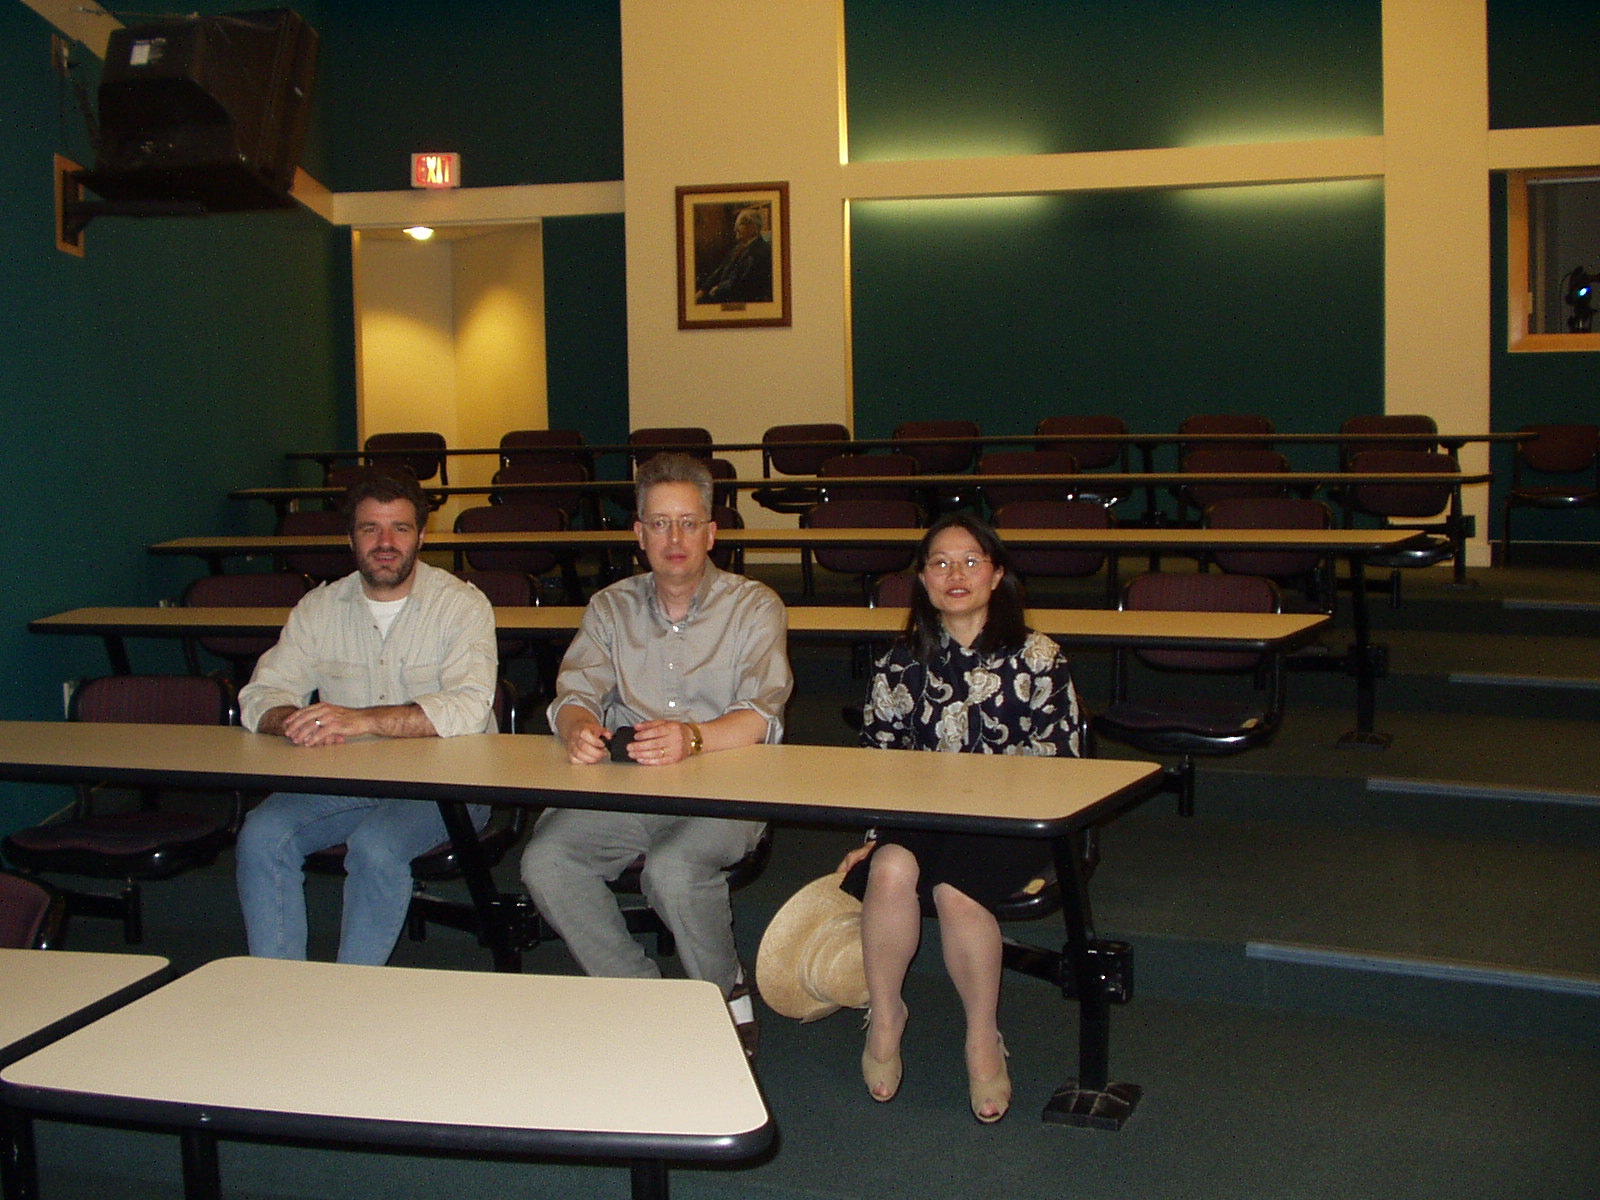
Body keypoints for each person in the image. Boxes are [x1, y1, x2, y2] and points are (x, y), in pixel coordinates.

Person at [519, 452, 792, 1057]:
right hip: (631, 782)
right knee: (546, 861)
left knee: (672, 873)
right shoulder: (609, 608)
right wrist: (579, 727)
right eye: (660, 523)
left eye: (689, 522)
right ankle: (640, 994)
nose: (676, 538)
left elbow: (763, 715)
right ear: (638, 534)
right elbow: (572, 694)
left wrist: (693, 737)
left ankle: (723, 994)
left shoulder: (755, 606)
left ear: (712, 532)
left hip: (727, 785)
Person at [836, 513, 1083, 1123]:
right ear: (921, 579)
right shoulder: (900, 661)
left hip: (1015, 819)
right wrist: (872, 837)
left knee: (955, 889)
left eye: (971, 561)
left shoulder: (1039, 657)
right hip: (924, 815)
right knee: (891, 868)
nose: (956, 574)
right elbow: (880, 761)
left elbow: (1066, 765)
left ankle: (981, 1035)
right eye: (940, 563)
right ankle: (887, 1013)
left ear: (997, 575)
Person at [234, 469, 498, 965]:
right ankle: (274, 984)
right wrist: (293, 719)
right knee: (261, 835)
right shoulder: (319, 608)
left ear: (422, 535)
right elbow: (261, 694)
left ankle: (350, 989)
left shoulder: (462, 607)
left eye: (399, 528)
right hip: (349, 779)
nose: (384, 542)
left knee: (376, 845)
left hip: (447, 785)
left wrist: (362, 720)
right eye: (369, 528)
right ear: (349, 537)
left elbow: (468, 707)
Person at [695, 205, 773, 304]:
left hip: (740, 299)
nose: (735, 228)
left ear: (753, 227)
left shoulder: (762, 250)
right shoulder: (738, 247)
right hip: (722, 292)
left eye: (740, 224)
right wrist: (703, 289)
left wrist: (718, 289)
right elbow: (720, 269)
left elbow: (743, 281)